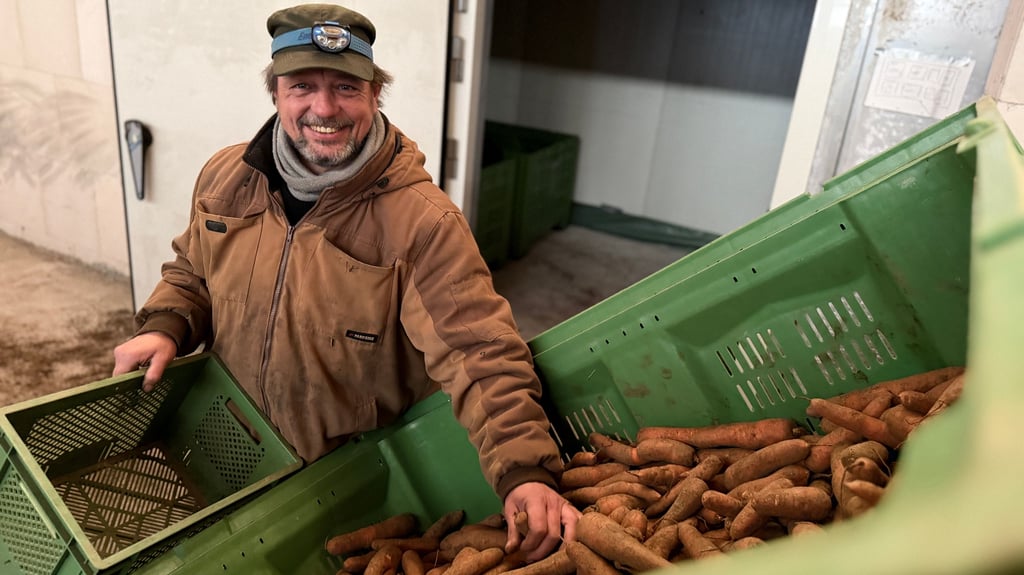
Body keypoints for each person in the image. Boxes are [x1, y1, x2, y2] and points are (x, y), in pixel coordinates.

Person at [111, 2, 579, 562]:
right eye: (302, 87)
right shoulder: (229, 176)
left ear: (376, 94)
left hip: (343, 482)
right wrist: (166, 325)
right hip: (225, 438)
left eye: (346, 87)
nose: (325, 108)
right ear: (276, 93)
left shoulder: (422, 223)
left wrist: (524, 471)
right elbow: (192, 271)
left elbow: (479, 352)